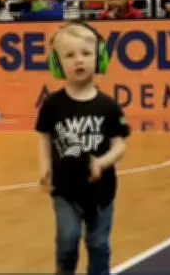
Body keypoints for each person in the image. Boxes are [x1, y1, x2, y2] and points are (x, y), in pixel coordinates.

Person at [36, 22, 130, 275]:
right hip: (65, 190)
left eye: (86, 53)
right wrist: (44, 167)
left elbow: (120, 145)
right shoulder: (52, 105)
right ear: (57, 64)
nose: (79, 60)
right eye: (69, 55)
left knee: (98, 244)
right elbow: (44, 136)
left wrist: (103, 161)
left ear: (99, 59)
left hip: (102, 192)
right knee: (68, 241)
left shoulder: (108, 106)